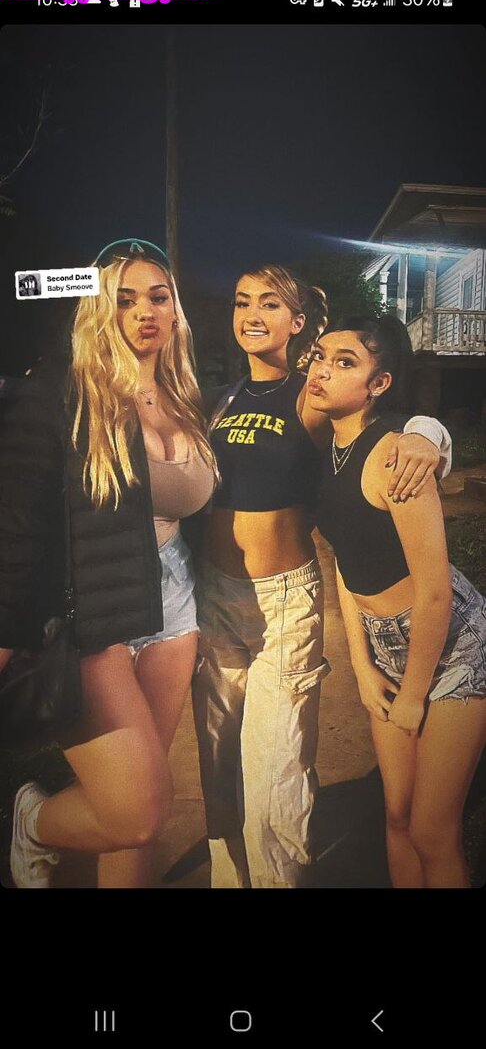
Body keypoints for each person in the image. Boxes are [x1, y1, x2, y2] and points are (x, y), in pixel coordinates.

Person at [192, 264, 452, 888]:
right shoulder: (217, 401)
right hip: (217, 598)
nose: (252, 314)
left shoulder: (310, 394)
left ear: (299, 323)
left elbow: (384, 423)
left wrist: (430, 434)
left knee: (276, 768)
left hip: (283, 602)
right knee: (218, 761)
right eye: (242, 302)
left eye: (270, 304)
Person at [0, 238, 217, 889]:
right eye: (124, 300)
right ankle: (34, 821)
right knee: (136, 808)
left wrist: (423, 434)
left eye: (158, 296)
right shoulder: (62, 393)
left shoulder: (188, 395)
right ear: (99, 310)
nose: (145, 312)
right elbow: (16, 525)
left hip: (174, 604)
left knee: (143, 808)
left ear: (175, 308)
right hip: (93, 614)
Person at [308, 314, 486, 887]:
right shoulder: (327, 452)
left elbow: (434, 590)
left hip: (452, 643)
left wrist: (413, 694)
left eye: (345, 362)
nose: (322, 370)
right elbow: (345, 568)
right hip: (383, 646)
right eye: (319, 356)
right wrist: (362, 668)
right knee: (396, 815)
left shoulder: (397, 456)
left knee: (433, 831)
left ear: (378, 383)